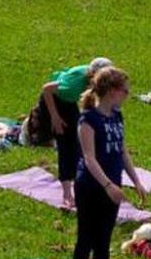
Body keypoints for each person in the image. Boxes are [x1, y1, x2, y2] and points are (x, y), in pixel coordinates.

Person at [74, 67, 146, 259]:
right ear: (112, 92)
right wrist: (107, 185)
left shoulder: (117, 116)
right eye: (125, 90)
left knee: (103, 240)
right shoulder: (88, 119)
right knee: (86, 239)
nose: (127, 95)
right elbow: (89, 158)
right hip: (91, 187)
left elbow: (122, 151)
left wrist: (135, 180)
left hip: (112, 186)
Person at [39, 57, 114, 210]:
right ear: (92, 76)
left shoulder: (96, 80)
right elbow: (46, 89)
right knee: (65, 144)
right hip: (54, 102)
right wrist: (55, 117)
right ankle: (67, 193)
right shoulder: (73, 86)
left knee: (81, 143)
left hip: (70, 103)